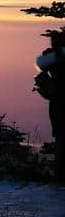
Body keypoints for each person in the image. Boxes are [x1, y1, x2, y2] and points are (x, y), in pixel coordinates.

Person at [36, 32, 65, 182]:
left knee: (60, 138)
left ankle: (59, 175)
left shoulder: (51, 57)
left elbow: (39, 64)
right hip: (58, 101)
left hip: (57, 102)